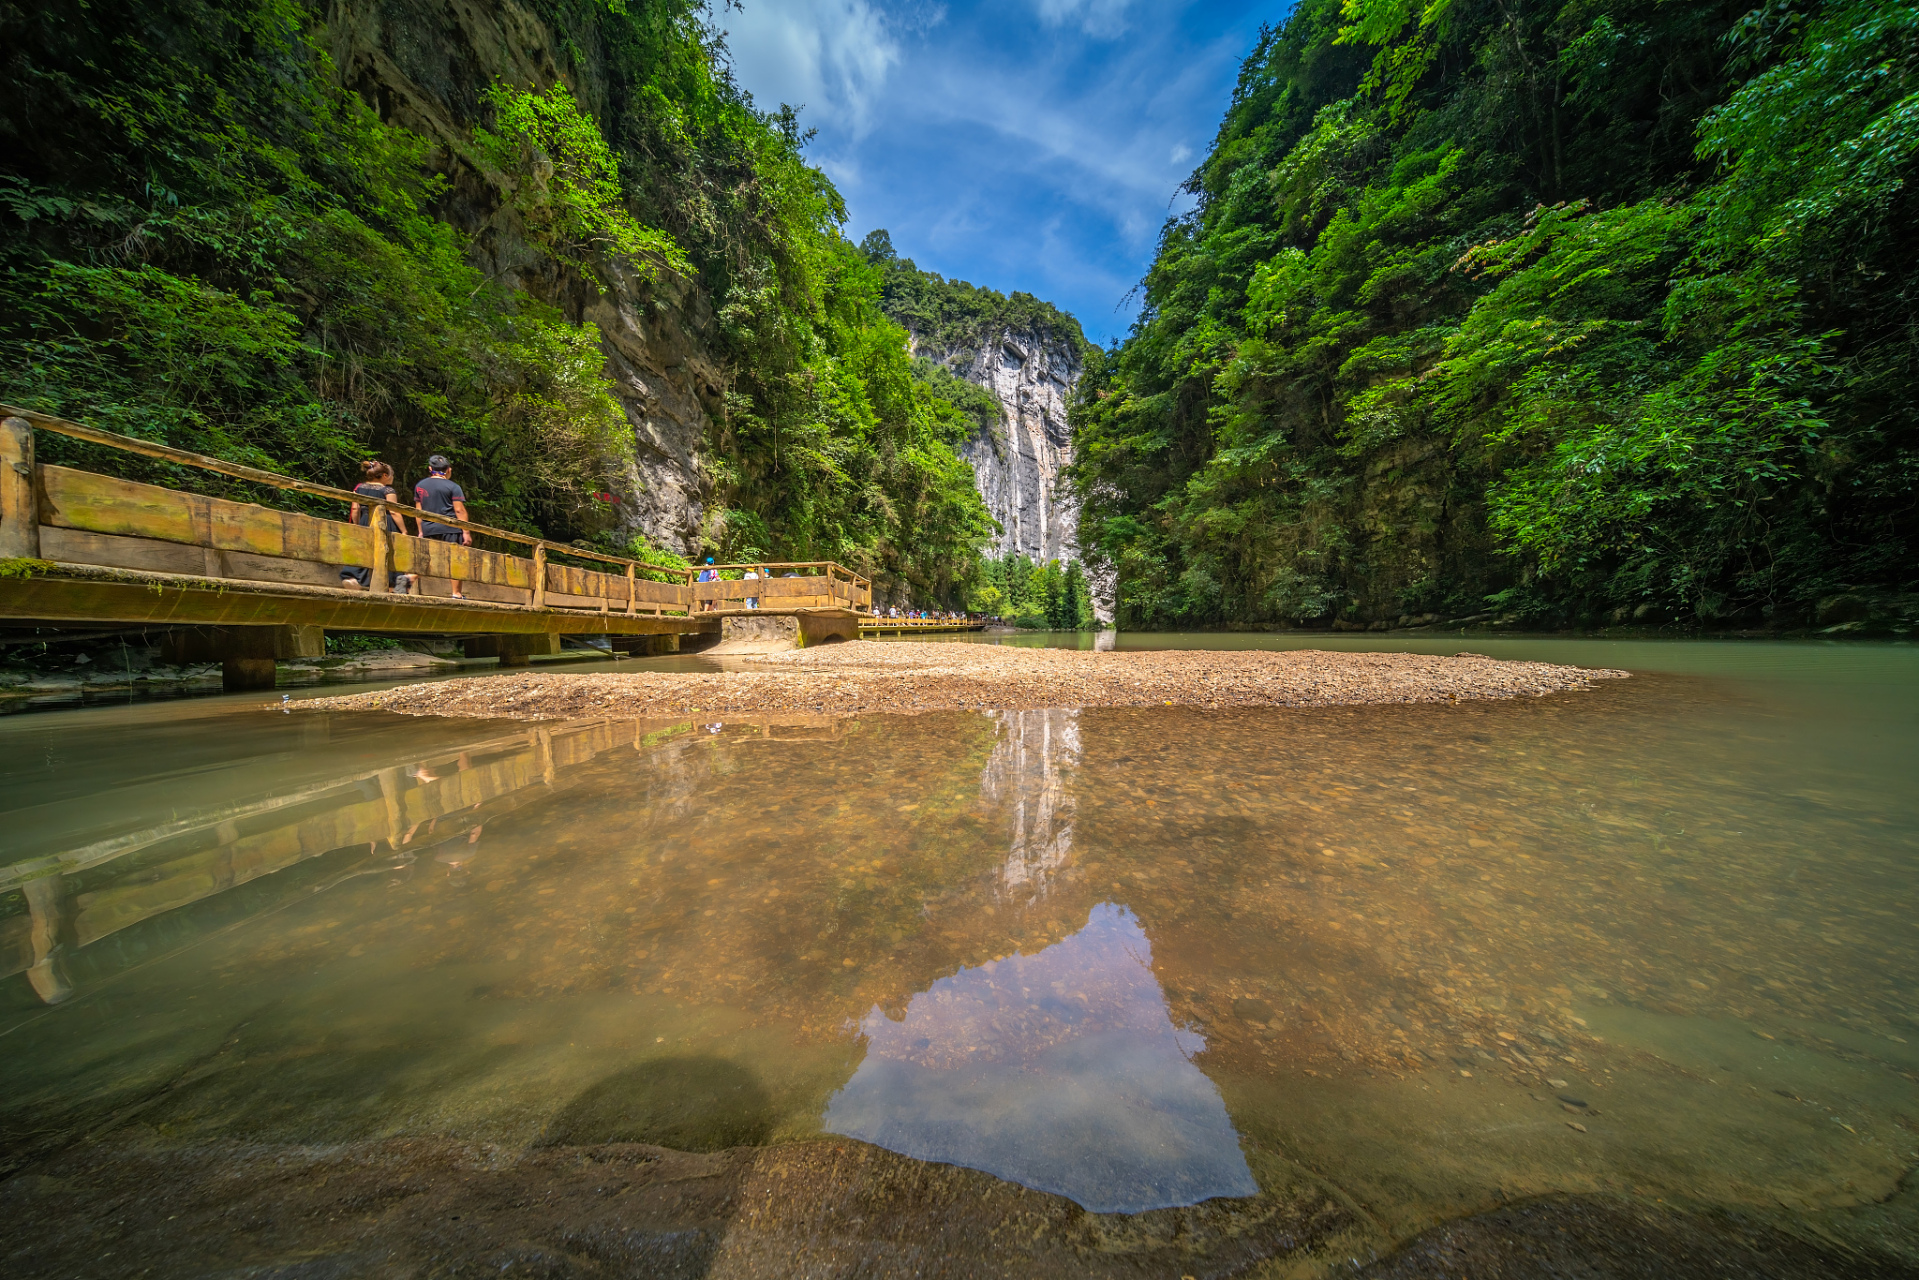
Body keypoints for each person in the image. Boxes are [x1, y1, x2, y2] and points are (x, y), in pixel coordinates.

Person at [341, 461, 417, 593]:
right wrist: (404, 531)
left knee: (363, 549)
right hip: (386, 524)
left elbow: (355, 508)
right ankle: (391, 585)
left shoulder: (359, 488)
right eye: (392, 475)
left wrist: (358, 524)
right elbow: (394, 512)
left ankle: (354, 578)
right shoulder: (387, 490)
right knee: (388, 552)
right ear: (385, 475)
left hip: (365, 521)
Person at [413, 455, 472, 599]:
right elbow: (459, 510)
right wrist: (466, 532)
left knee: (427, 558)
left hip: (428, 528)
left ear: (429, 469)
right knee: (455, 559)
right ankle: (456, 593)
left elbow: (418, 511)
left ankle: (410, 577)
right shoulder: (453, 487)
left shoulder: (420, 486)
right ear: (448, 470)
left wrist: (421, 530)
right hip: (450, 528)